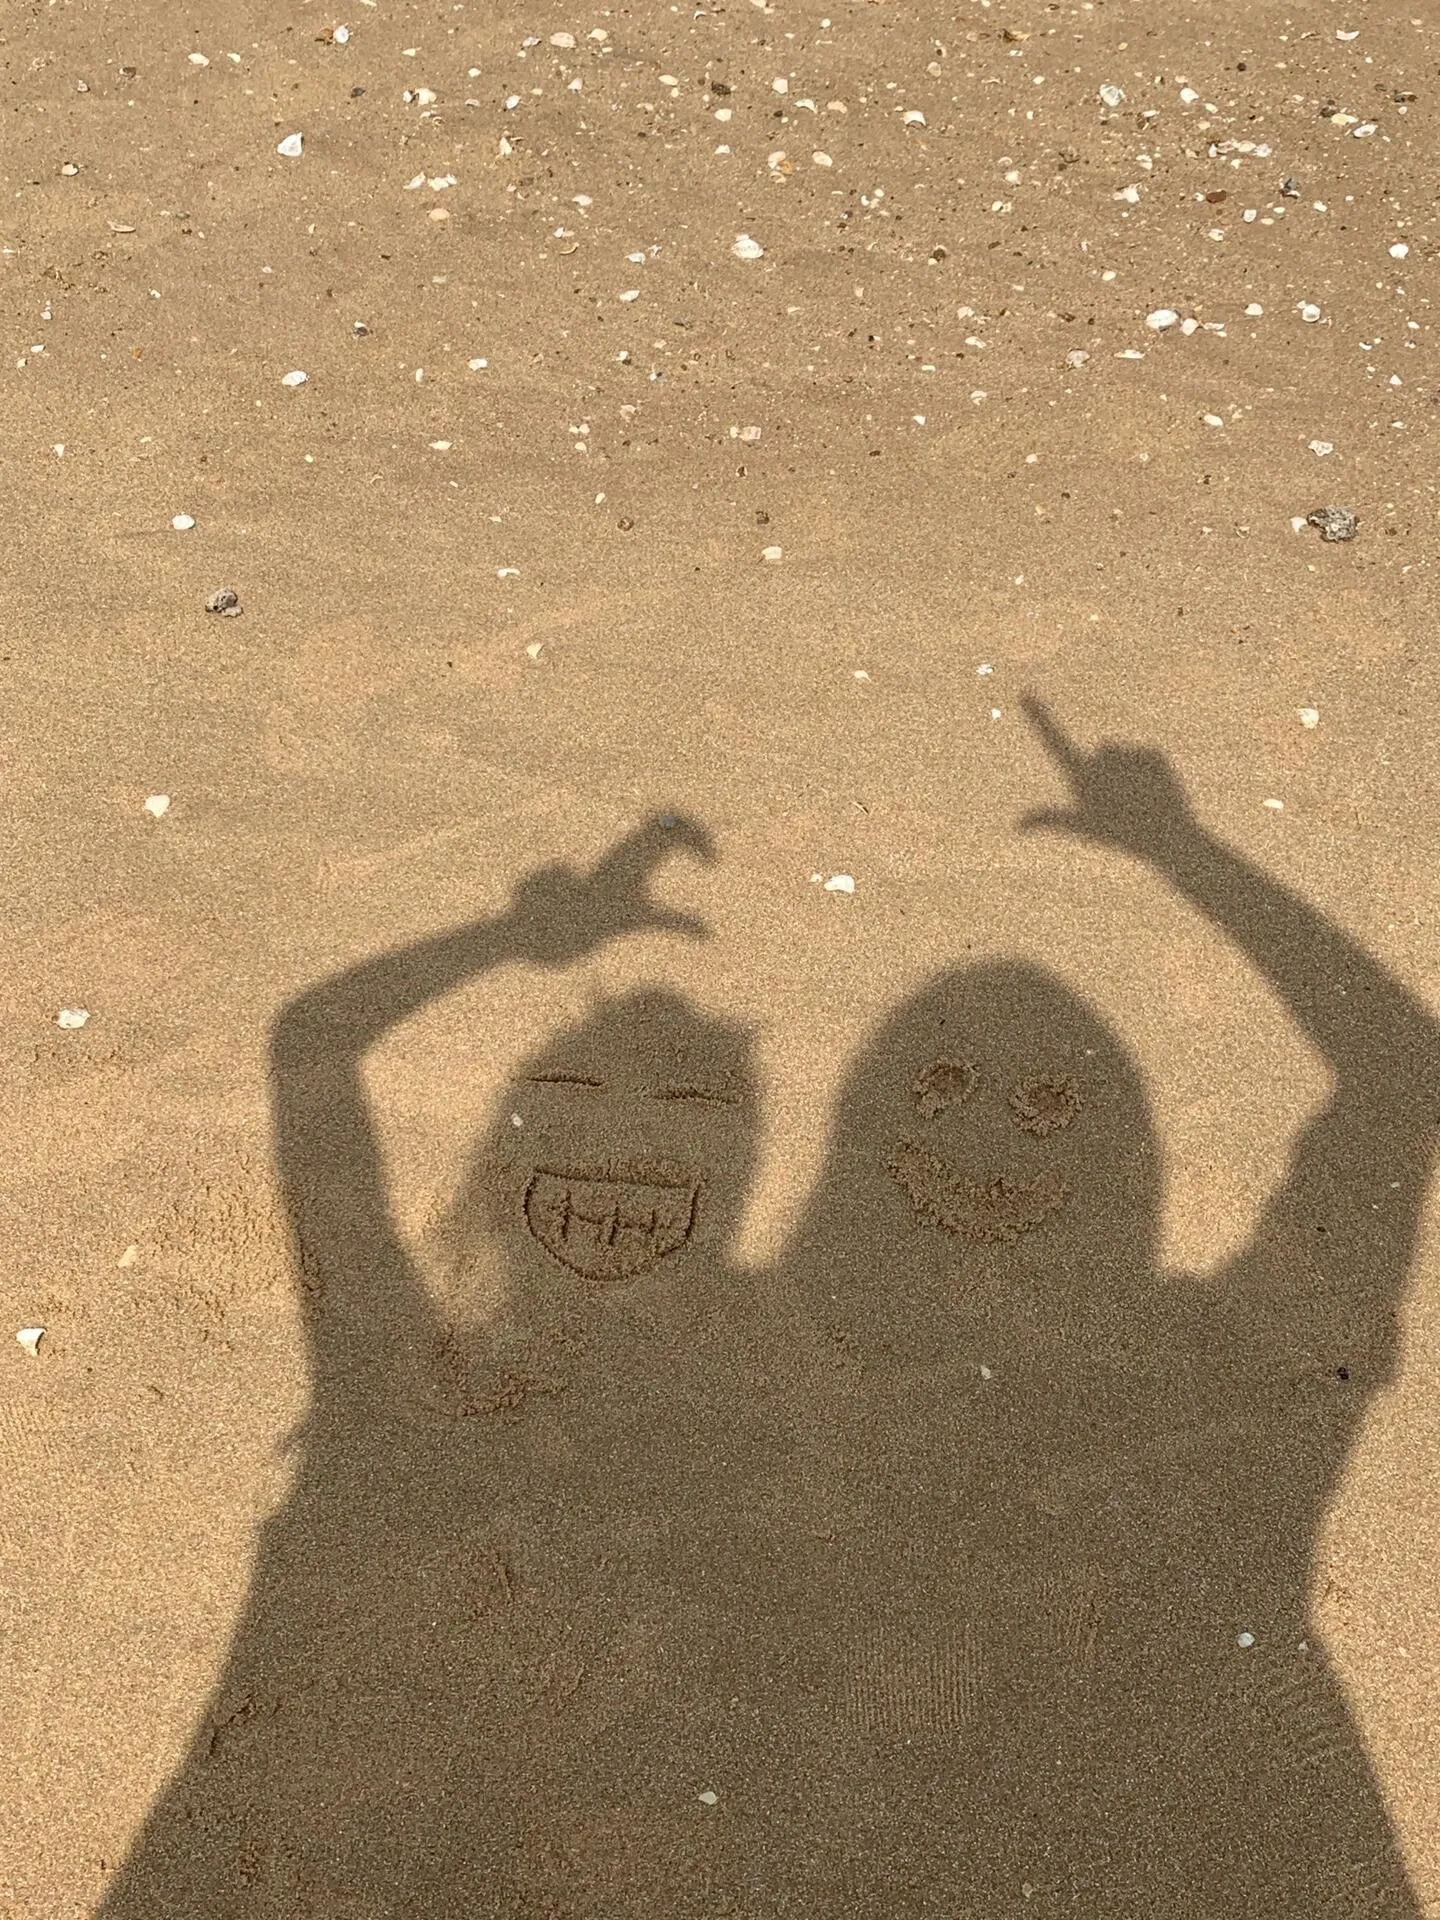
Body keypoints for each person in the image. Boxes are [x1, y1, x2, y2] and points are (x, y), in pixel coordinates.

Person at [101, 712, 1434, 1915]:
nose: (981, 1146)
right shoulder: (645, 1377)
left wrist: (513, 942)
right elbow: (1397, 1078)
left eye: (1040, 1108)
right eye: (941, 1092)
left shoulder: (1163, 1377)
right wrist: (1186, 856)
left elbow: (1398, 1083)